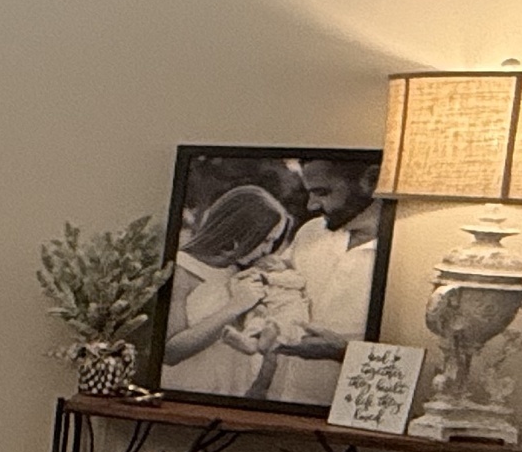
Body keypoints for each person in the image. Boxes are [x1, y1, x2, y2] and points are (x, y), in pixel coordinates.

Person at [260, 160, 384, 404]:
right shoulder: (311, 232)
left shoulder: (409, 248)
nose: (311, 205)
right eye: (310, 193)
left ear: (372, 181)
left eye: (322, 192)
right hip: (278, 400)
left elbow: (419, 354)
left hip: (350, 410)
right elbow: (278, 295)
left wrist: (341, 352)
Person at [158, 182, 296, 399]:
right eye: (265, 240)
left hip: (234, 391)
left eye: (273, 241)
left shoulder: (242, 271)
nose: (268, 249)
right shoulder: (182, 269)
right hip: (188, 391)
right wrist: (235, 306)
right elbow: (170, 352)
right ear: (239, 231)